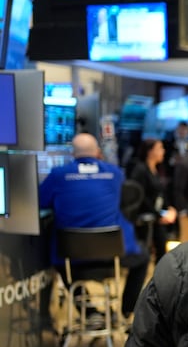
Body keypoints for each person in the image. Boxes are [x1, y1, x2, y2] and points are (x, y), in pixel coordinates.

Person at [39, 133, 150, 322]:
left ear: (72, 153)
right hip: (113, 256)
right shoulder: (114, 173)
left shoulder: (58, 175)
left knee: (58, 262)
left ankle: (89, 313)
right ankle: (124, 312)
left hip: (72, 258)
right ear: (98, 152)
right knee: (143, 257)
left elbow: (41, 201)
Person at [127, 139, 178, 263]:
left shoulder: (156, 169)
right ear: (150, 151)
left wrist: (169, 208)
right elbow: (141, 197)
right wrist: (159, 214)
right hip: (146, 218)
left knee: (162, 247)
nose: (163, 151)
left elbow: (160, 193)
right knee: (151, 251)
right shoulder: (140, 170)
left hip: (156, 215)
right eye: (160, 148)